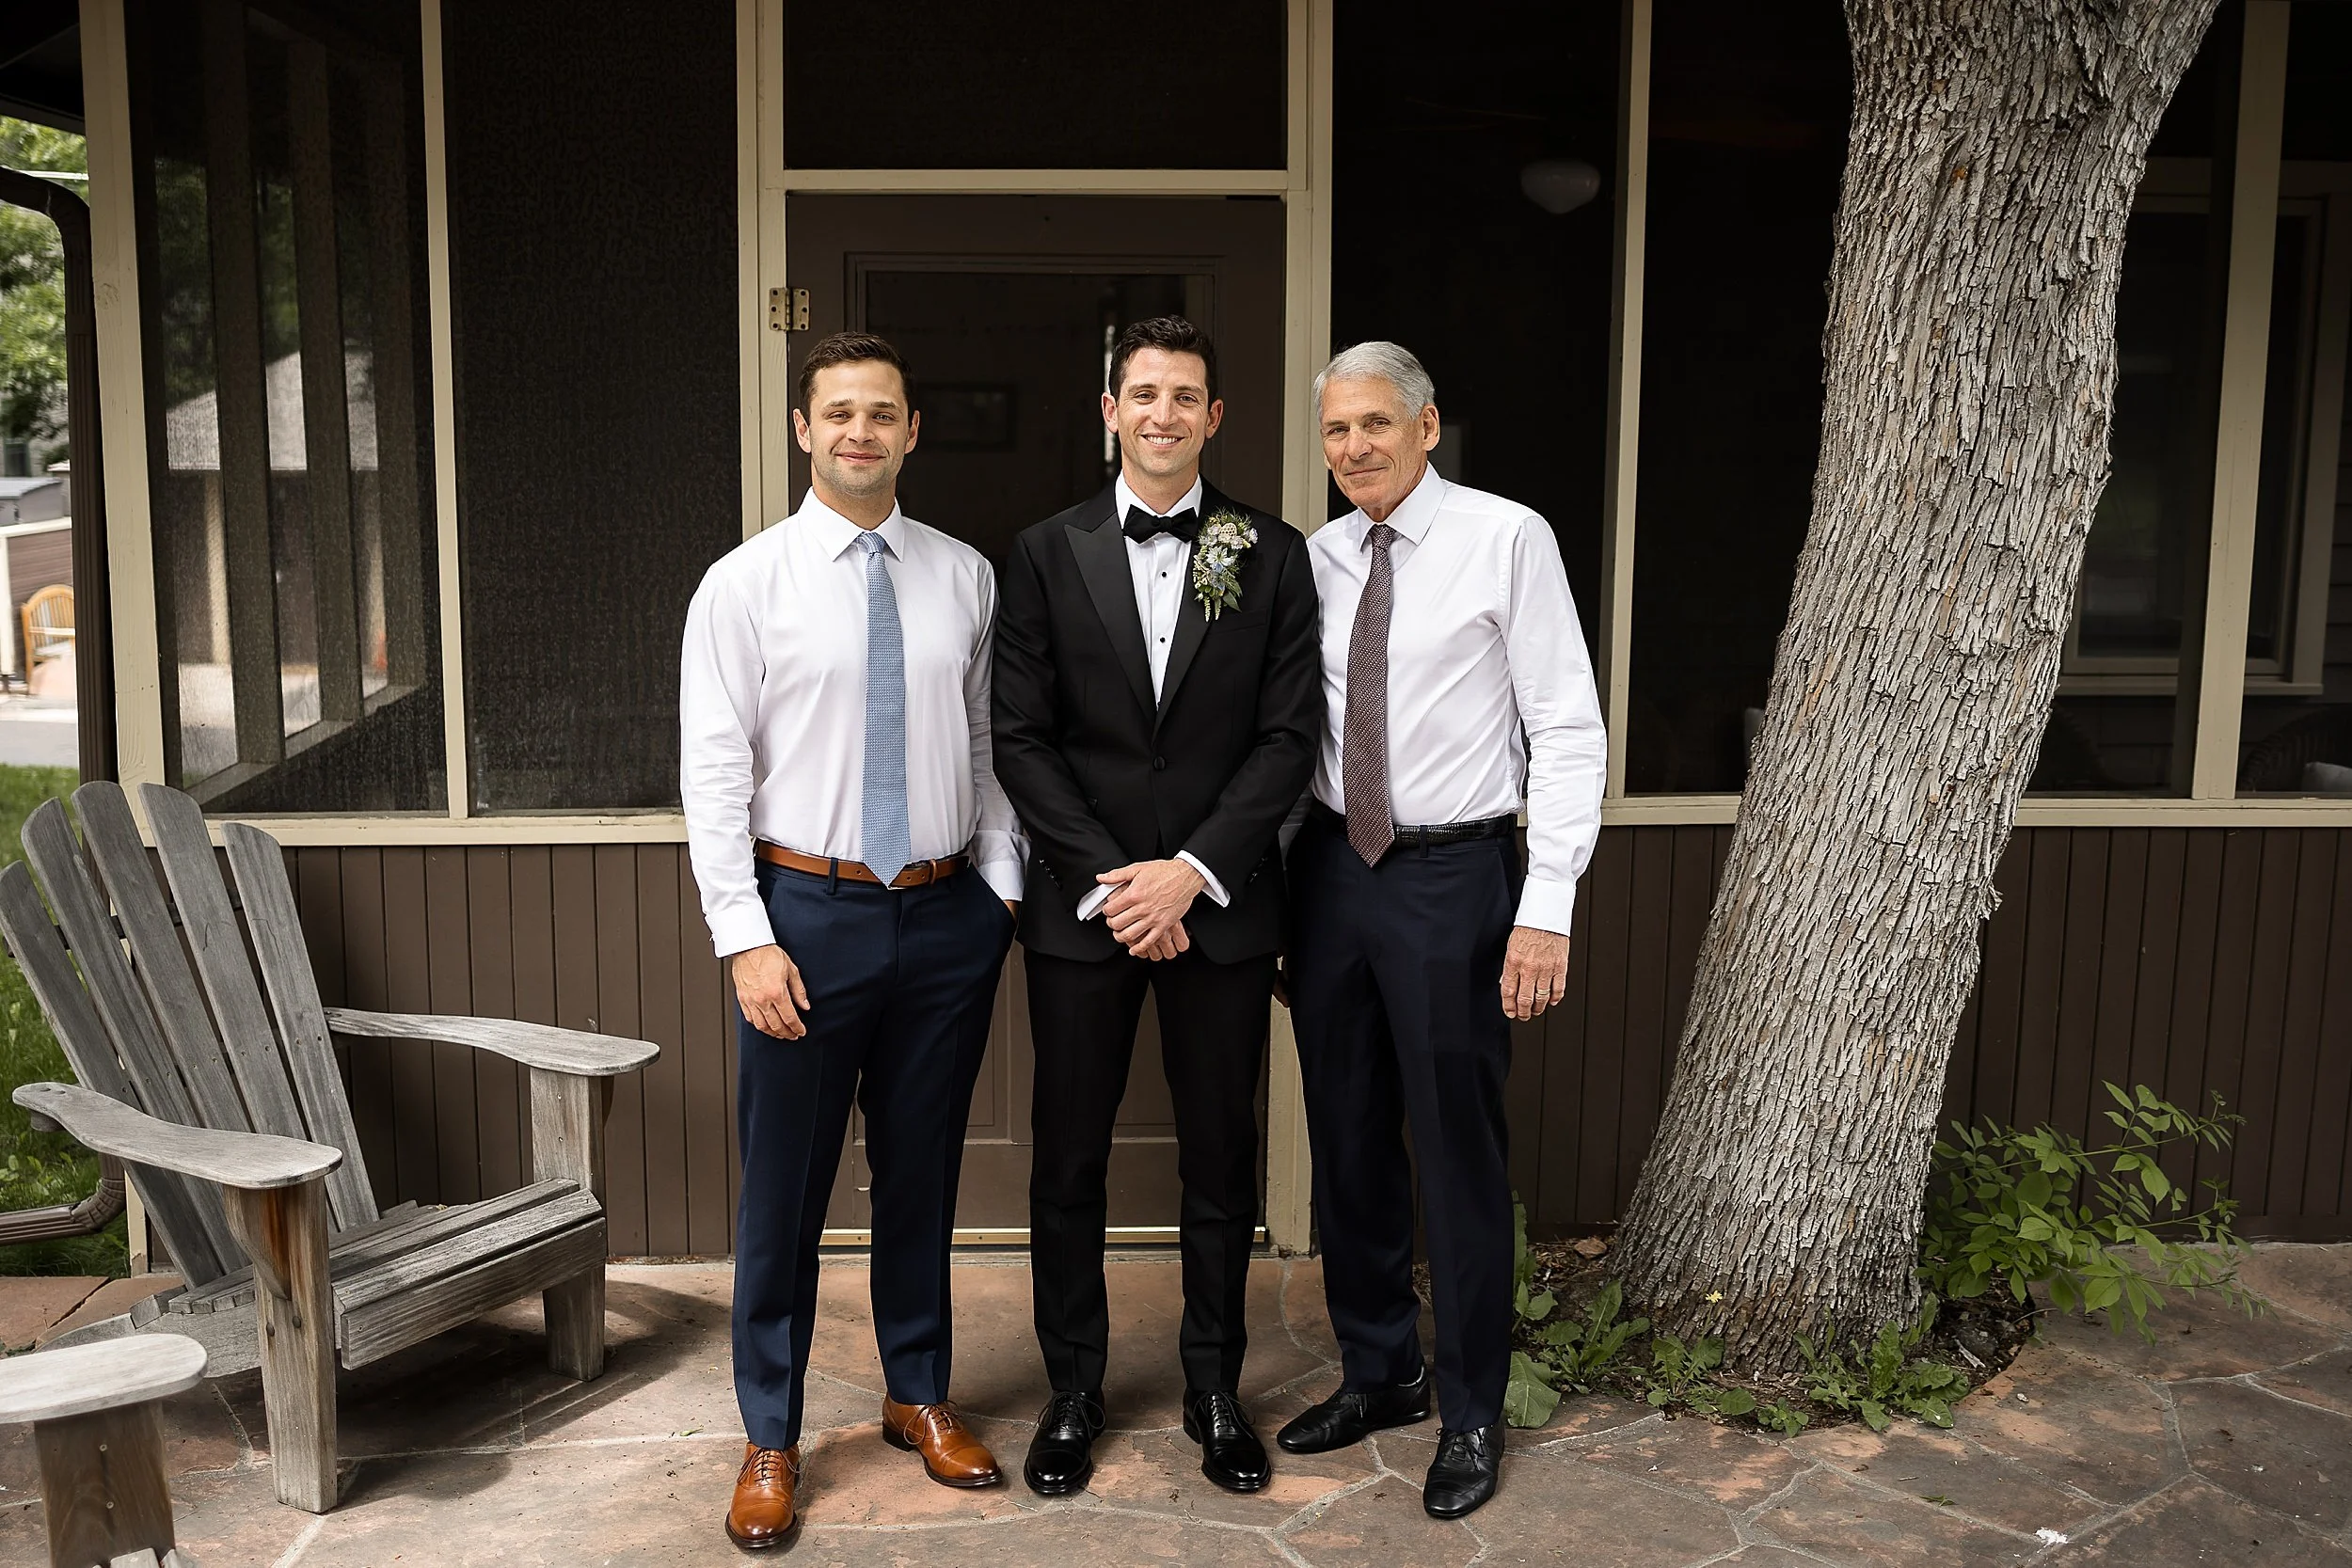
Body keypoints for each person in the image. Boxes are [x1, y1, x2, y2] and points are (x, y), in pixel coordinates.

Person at [680, 332, 1026, 1550]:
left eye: (883, 411)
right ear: (802, 427)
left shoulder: (965, 577)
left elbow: (985, 751)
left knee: (921, 1171)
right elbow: (714, 774)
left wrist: (1000, 893)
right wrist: (744, 938)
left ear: (913, 430)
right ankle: (769, 1431)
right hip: (806, 918)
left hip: (944, 916)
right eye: (839, 412)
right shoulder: (744, 585)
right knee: (784, 1188)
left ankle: (916, 1388)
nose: (861, 431)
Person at [993, 316, 1323, 1497]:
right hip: (1085, 912)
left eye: (1187, 394)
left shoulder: (1271, 552)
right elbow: (1021, 739)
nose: (1165, 413)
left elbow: (1289, 738)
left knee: (1219, 1154)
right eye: (1144, 392)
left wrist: (1191, 871)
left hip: (1222, 908)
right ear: (1108, 409)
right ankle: (1073, 1389)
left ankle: (1214, 1385)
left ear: (1216, 416)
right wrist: (1117, 881)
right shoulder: (1040, 551)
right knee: (1068, 1156)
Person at [1279, 341, 1606, 1520]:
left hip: (1454, 872)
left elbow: (1567, 727)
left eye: (1374, 423)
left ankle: (1470, 1403)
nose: (1353, 448)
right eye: (1334, 432)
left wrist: (1546, 903)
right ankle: (1382, 1371)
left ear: (1426, 426)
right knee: (1347, 1133)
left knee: (1455, 1146)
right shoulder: (1309, 559)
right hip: (1330, 872)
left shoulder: (1505, 537)